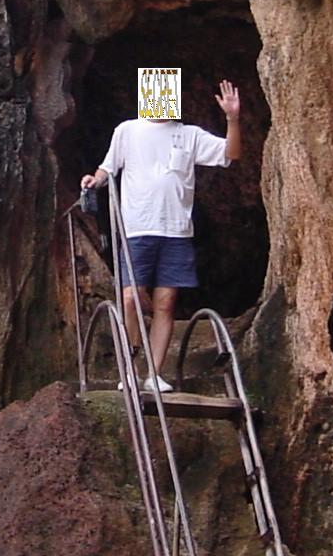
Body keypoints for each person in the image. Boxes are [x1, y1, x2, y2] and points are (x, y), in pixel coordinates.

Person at [81, 78, 241, 391]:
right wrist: (94, 180)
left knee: (165, 303)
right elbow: (108, 168)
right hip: (137, 227)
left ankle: (153, 374)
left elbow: (230, 154)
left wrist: (232, 118)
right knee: (130, 297)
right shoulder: (128, 131)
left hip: (176, 231)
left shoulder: (188, 134)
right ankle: (129, 368)